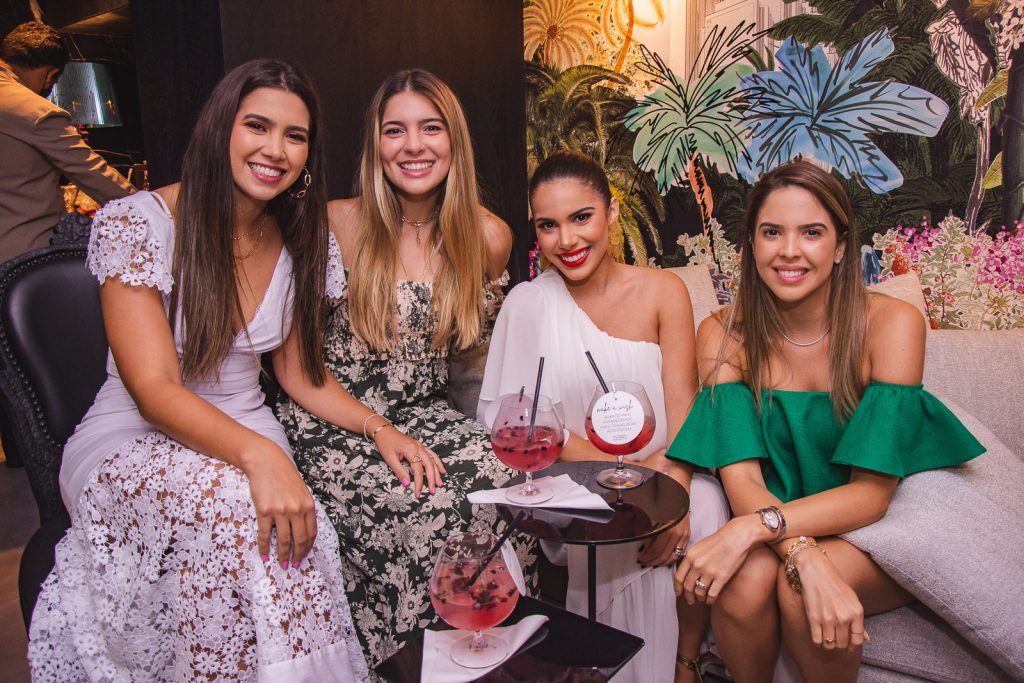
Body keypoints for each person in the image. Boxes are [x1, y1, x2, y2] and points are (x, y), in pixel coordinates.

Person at [27, 59, 371, 681]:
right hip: (132, 434)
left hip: (245, 422)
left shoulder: (303, 239)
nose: (275, 150)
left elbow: (298, 375)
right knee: (238, 508)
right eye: (258, 126)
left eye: (295, 136)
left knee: (286, 546)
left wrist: (380, 428)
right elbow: (154, 390)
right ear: (221, 130)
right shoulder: (140, 223)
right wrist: (261, 460)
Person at [667, 160, 984, 683]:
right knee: (745, 581)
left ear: (840, 247)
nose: (789, 250)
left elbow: (872, 495)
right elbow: (742, 478)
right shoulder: (723, 332)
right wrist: (802, 552)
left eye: (811, 232)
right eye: (772, 232)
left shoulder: (893, 324)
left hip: (884, 525)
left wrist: (756, 531)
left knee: (796, 590)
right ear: (750, 247)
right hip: (784, 514)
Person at [275, 68, 529, 668]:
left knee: (511, 484)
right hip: (334, 419)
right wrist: (379, 430)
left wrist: (504, 435)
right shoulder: (331, 224)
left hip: (427, 417)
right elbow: (290, 368)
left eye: (430, 128)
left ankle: (500, 662)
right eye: (396, 131)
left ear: (453, 141)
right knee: (429, 506)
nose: (413, 146)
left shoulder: (488, 237)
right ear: (376, 144)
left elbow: (472, 365)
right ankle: (415, 667)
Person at [478, 151, 731, 683]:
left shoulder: (665, 291)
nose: (566, 240)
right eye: (548, 225)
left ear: (612, 213)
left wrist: (672, 493)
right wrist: (630, 484)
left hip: (669, 467)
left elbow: (683, 408)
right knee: (610, 521)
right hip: (582, 480)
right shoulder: (529, 304)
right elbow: (524, 427)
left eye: (581, 217)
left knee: (706, 505)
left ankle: (683, 667)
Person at [0, 21, 133, 263]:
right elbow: (94, 174)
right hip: (22, 262)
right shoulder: (35, 110)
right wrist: (155, 208)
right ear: (50, 76)